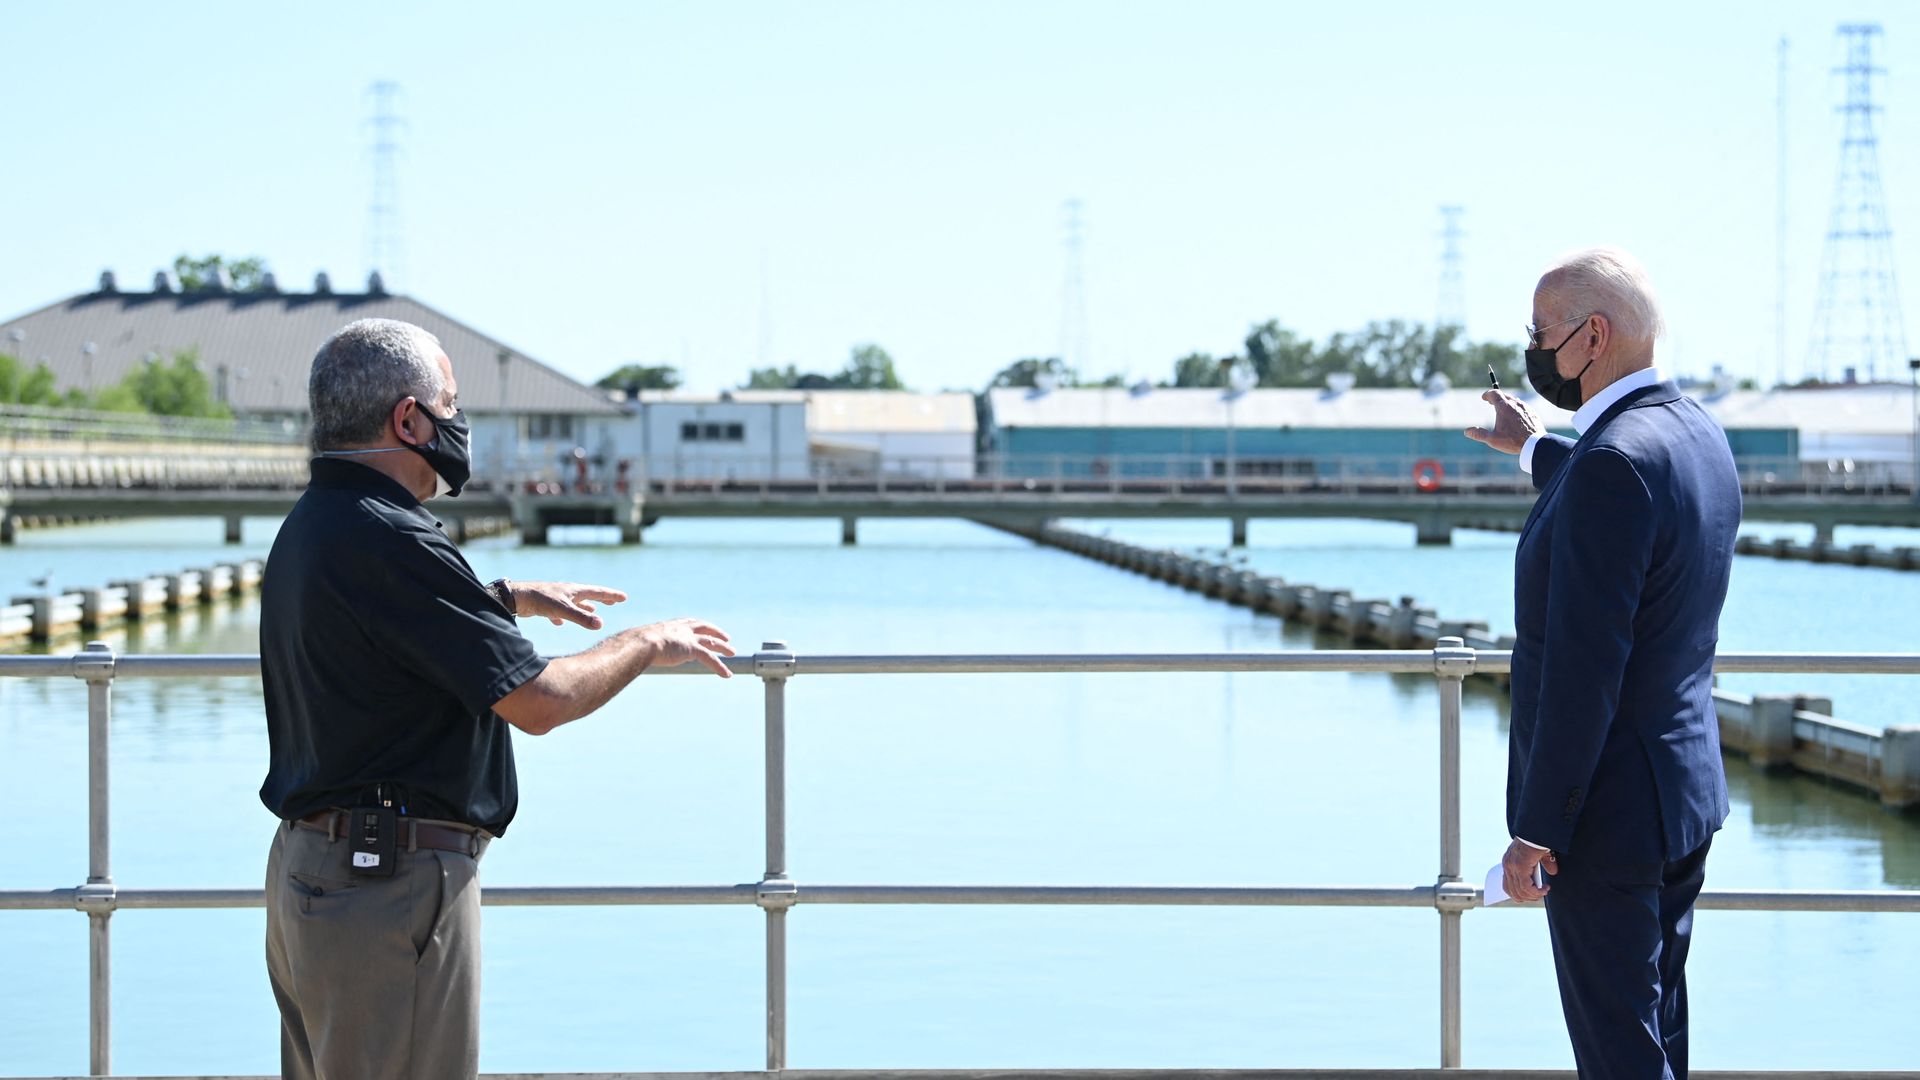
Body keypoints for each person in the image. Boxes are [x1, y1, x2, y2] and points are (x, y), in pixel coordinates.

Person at [259, 318, 735, 1080]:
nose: (459, 424)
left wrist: (501, 599)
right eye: (449, 405)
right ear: (408, 420)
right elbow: (540, 701)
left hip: (313, 876)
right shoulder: (392, 538)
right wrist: (646, 643)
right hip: (387, 891)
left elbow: (384, 631)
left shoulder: (321, 523)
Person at [1464, 248, 1741, 1079]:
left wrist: (1537, 833)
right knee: (1657, 1034)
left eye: (1541, 333)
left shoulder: (1614, 462)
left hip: (1608, 818)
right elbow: (1611, 492)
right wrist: (1532, 447)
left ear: (1593, 335)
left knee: (1619, 1054)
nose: (1532, 350)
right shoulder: (1694, 435)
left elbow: (1586, 672)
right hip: (1680, 798)